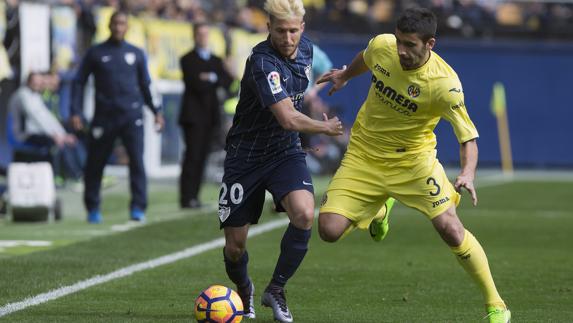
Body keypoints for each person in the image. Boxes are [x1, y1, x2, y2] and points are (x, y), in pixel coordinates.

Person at [316, 8, 510, 323]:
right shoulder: (383, 45)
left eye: (409, 44)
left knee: (450, 227)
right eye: (399, 42)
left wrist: (467, 173)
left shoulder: (444, 85)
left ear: (429, 43)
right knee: (328, 230)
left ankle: (496, 303)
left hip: (412, 161)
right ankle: (379, 207)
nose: (401, 50)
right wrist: (344, 75)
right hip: (364, 154)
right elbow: (367, 57)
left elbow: (468, 138)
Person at [218, 0, 343, 322]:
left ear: (302, 29)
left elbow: (292, 119)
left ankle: (276, 289)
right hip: (245, 156)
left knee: (303, 213)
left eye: (293, 31)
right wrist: (324, 128)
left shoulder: (307, 50)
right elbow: (288, 117)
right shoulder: (262, 62)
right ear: (268, 28)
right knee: (235, 246)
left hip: (285, 151)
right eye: (280, 31)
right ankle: (243, 289)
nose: (288, 38)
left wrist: (343, 74)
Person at [70, 10, 165, 224]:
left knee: (137, 163)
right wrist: (75, 111)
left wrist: (156, 112)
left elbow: (146, 85)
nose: (118, 27)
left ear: (127, 27)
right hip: (104, 117)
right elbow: (78, 82)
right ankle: (93, 207)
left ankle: (138, 207)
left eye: (123, 23)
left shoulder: (137, 53)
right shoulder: (95, 52)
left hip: (132, 115)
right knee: (96, 163)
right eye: (115, 23)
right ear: (109, 25)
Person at [178, 22, 233, 209]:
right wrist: (214, 78)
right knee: (192, 157)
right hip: (193, 118)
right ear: (194, 36)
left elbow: (228, 80)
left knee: (202, 158)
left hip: (210, 117)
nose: (203, 37)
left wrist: (210, 77)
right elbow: (196, 83)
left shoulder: (215, 60)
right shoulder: (187, 59)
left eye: (205, 34)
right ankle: (186, 197)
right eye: (200, 34)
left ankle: (194, 197)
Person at [8, 71, 83, 183]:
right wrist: (56, 136)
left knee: (69, 140)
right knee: (57, 143)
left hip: (34, 133)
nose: (39, 85)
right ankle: (71, 176)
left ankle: (80, 173)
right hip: (22, 136)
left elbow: (47, 118)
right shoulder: (23, 95)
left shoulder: (34, 95)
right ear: (29, 82)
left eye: (40, 82)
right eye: (36, 82)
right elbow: (37, 118)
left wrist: (63, 134)